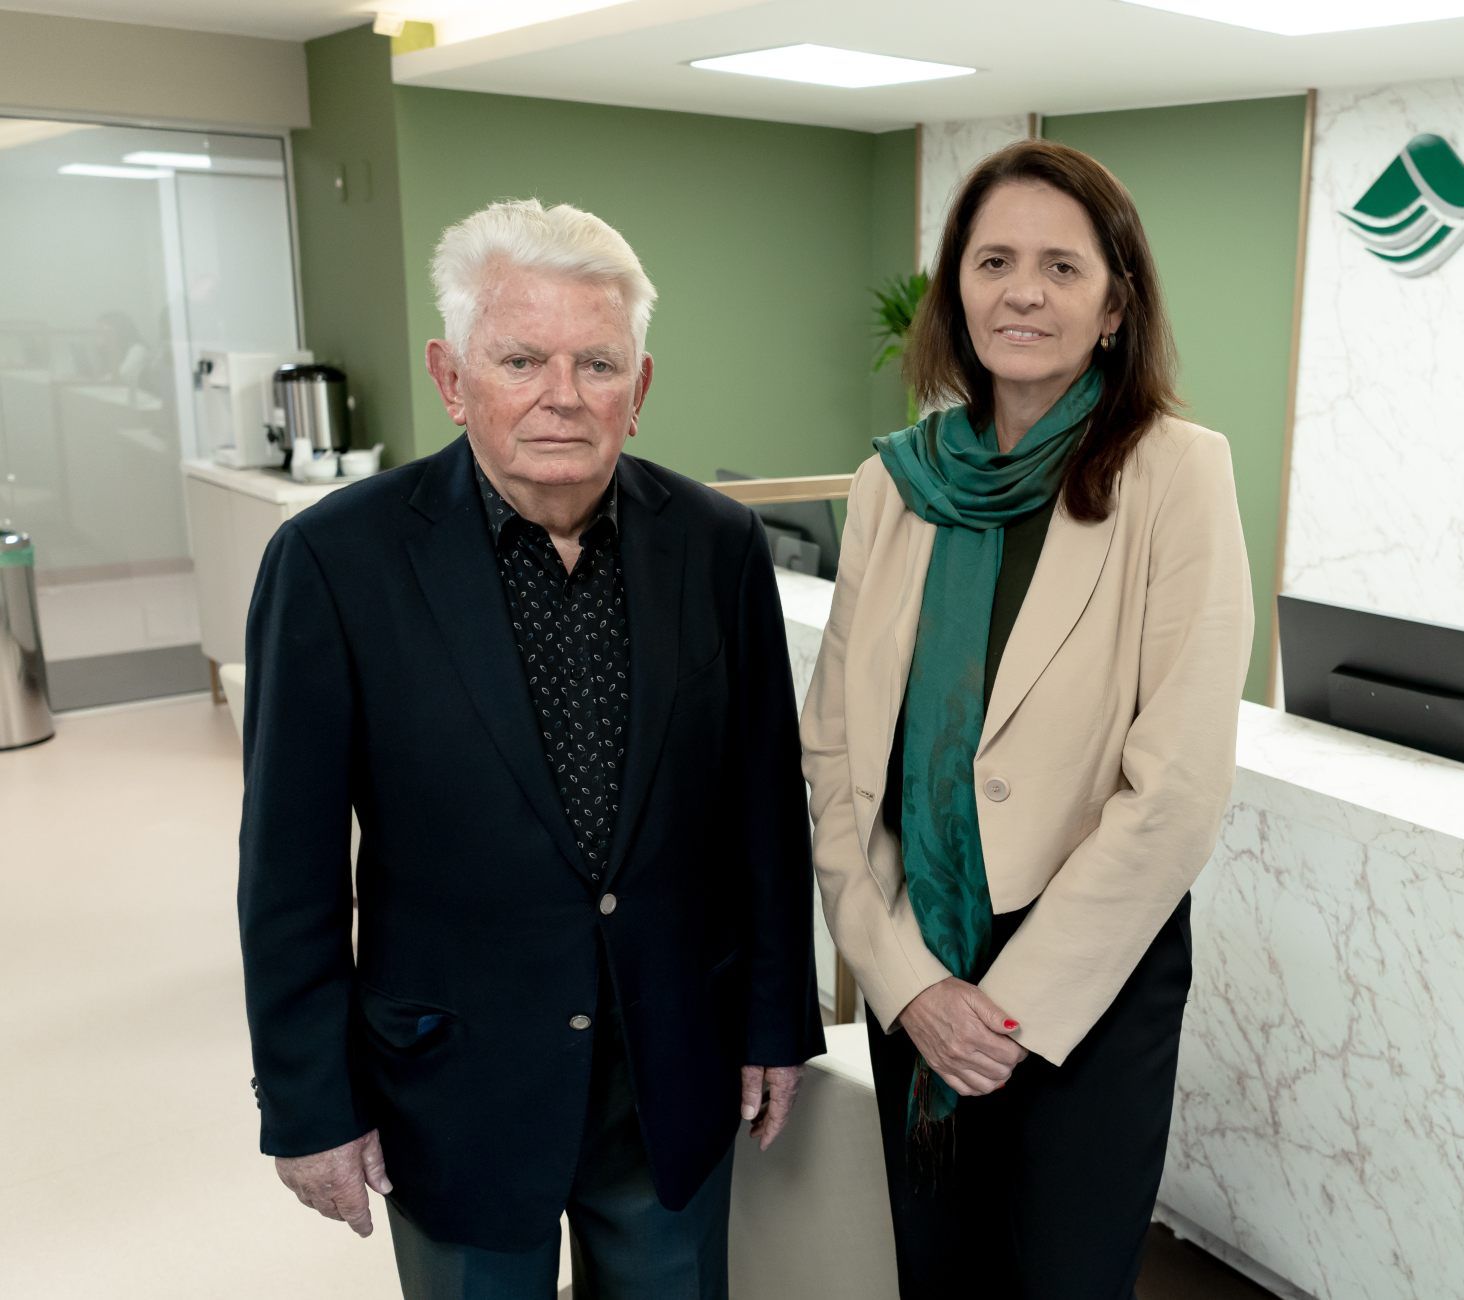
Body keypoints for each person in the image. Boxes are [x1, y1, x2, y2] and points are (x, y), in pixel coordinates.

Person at [237, 199, 825, 1299]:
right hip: (453, 1083)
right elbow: (288, 867)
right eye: (520, 359)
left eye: (597, 363)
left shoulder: (719, 545)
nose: (563, 395)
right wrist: (309, 1105)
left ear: (638, 390)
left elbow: (763, 812)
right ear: (452, 378)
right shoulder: (333, 561)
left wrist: (774, 1022)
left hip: (673, 1073)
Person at [800, 140, 1254, 1297]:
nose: (1023, 292)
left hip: (1086, 977)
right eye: (993, 260)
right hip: (918, 959)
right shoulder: (893, 483)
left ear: (1114, 306)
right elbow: (837, 756)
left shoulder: (1174, 473)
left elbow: (1176, 788)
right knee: (937, 1275)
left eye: (1062, 266)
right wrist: (906, 982)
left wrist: (1003, 1010)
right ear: (956, 288)